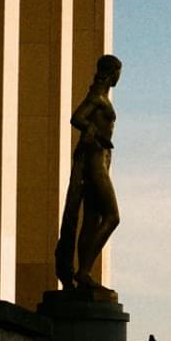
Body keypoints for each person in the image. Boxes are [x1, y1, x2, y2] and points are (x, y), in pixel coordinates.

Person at [55, 54, 121, 289]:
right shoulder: (98, 98)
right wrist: (97, 132)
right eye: (117, 72)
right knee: (113, 216)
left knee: (92, 219)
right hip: (94, 159)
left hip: (102, 159)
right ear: (110, 73)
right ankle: (83, 270)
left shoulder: (102, 98)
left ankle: (84, 273)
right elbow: (77, 117)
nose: (118, 77)